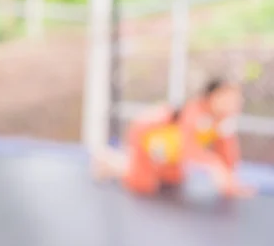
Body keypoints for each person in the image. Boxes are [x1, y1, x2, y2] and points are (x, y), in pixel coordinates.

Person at [92, 78, 254, 199]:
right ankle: (111, 160)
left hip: (171, 150)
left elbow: (226, 153)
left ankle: (124, 163)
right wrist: (214, 165)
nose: (235, 103)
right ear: (213, 97)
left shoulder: (223, 121)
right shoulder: (195, 112)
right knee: (142, 184)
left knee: (173, 179)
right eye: (229, 98)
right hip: (147, 136)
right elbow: (189, 148)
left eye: (237, 99)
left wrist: (232, 182)